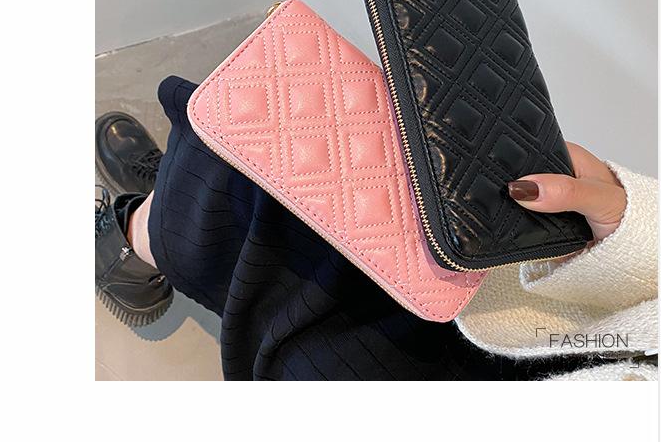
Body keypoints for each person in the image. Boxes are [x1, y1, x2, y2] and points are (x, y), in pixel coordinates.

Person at [95, 76, 658, 381]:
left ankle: (137, 243)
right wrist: (629, 232)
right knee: (318, 145)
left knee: (280, 228)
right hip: (561, 314)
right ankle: (169, 196)